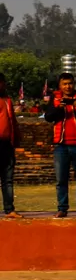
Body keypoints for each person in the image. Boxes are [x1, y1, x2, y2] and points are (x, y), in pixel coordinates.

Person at [41, 74, 76, 218]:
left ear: (74, 85)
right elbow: (48, 117)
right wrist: (59, 108)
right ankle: (62, 208)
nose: (68, 87)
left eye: (70, 83)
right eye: (65, 84)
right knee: (61, 180)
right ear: (60, 85)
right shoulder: (54, 99)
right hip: (61, 145)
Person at [0, 87, 16, 217]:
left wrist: (16, 137)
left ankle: (9, 209)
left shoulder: (7, 101)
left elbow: (12, 121)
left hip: (7, 143)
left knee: (8, 179)